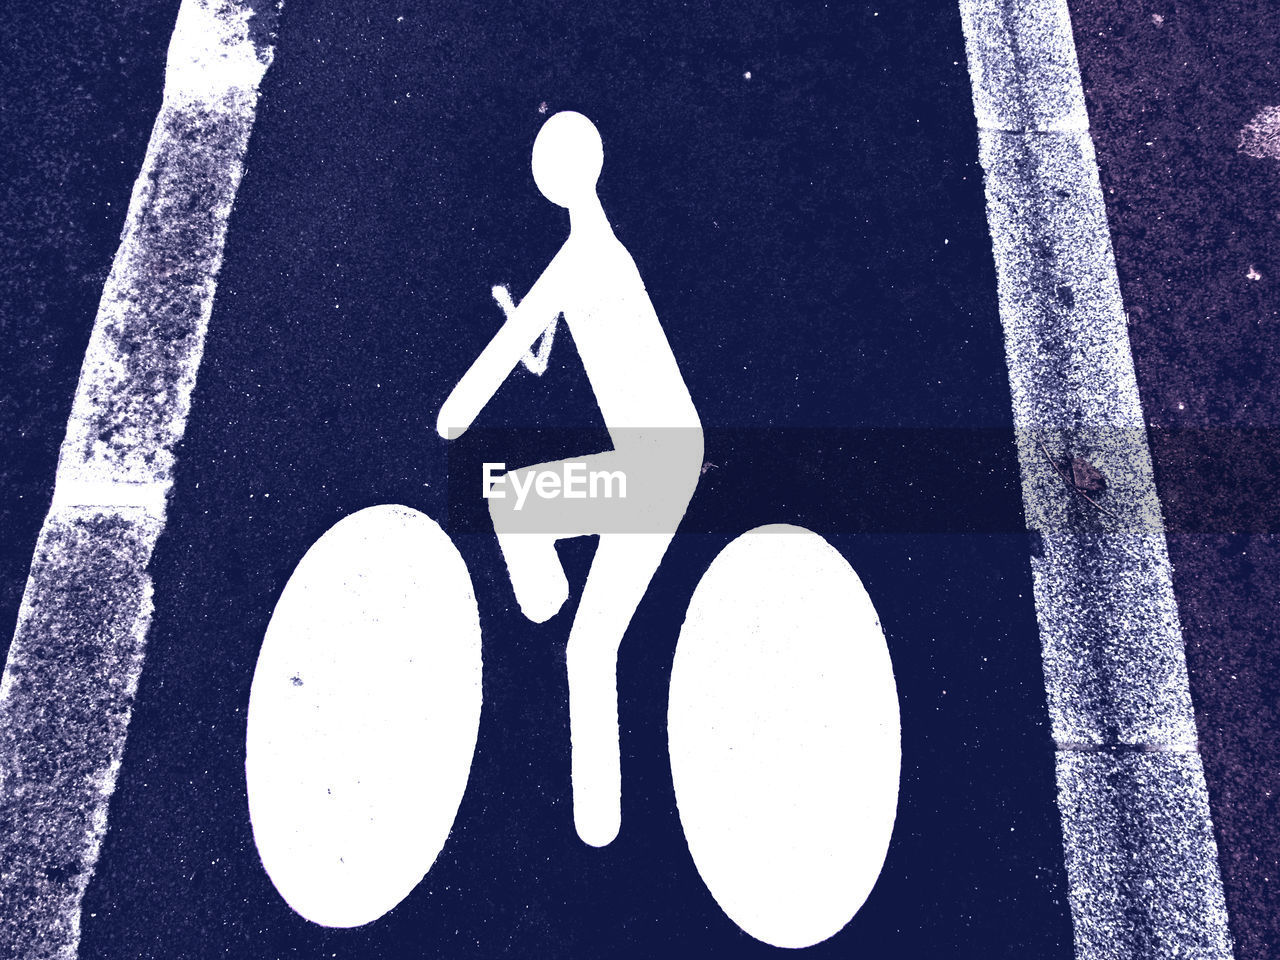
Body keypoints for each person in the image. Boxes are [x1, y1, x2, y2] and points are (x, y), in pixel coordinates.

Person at [436, 111, 702, 847]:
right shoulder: (605, 252)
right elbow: (523, 342)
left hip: (654, 465)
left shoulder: (582, 262)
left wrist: (454, 416)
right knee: (590, 644)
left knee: (514, 507)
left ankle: (542, 593)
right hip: (666, 458)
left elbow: (502, 355)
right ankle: (600, 819)